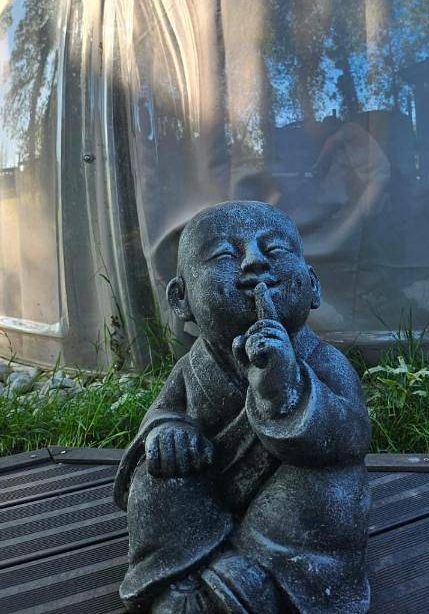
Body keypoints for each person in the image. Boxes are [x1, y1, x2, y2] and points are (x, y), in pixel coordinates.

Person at [113, 200, 371, 613]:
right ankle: (189, 569)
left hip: (285, 512)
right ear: (181, 299)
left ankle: (265, 575)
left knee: (330, 485)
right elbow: (163, 411)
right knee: (155, 476)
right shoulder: (192, 368)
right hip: (211, 487)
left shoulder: (326, 362)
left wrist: (286, 389)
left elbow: (349, 439)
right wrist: (167, 431)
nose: (254, 263)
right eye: (223, 256)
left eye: (275, 250)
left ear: (313, 285)